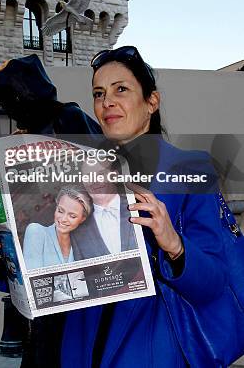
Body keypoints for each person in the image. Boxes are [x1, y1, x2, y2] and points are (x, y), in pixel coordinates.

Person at [61, 45, 225, 368]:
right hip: (82, 349)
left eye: (120, 89)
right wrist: (0, 258)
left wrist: (175, 245)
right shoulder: (79, 171)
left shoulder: (192, 169)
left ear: (151, 102)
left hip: (153, 353)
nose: (106, 102)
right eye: (98, 93)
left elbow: (215, 284)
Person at [0, 54, 101, 368]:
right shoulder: (20, 139)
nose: (9, 108)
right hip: (43, 288)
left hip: (83, 286)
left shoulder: (68, 118)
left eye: (9, 97)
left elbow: (101, 180)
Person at [23, 187, 93, 269]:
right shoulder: (36, 231)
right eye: (60, 211)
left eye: (72, 216)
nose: (63, 219)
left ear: (82, 219)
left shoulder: (83, 243)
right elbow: (33, 275)